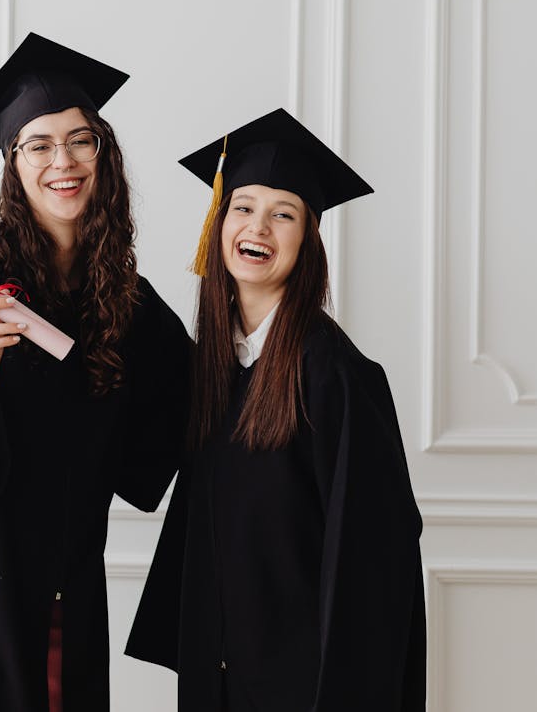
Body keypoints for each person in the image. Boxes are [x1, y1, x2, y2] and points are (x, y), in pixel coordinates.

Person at [0, 33, 191, 712]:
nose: (64, 161)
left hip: (67, 580)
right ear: (11, 164)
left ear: (103, 154)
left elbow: (179, 414)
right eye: (40, 144)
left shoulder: (127, 298)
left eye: (81, 140)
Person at [126, 108, 425, 711]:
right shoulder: (212, 365)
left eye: (282, 214)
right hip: (219, 671)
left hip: (305, 680)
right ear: (219, 222)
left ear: (308, 239)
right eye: (242, 206)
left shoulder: (335, 374)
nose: (257, 225)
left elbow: (375, 557)